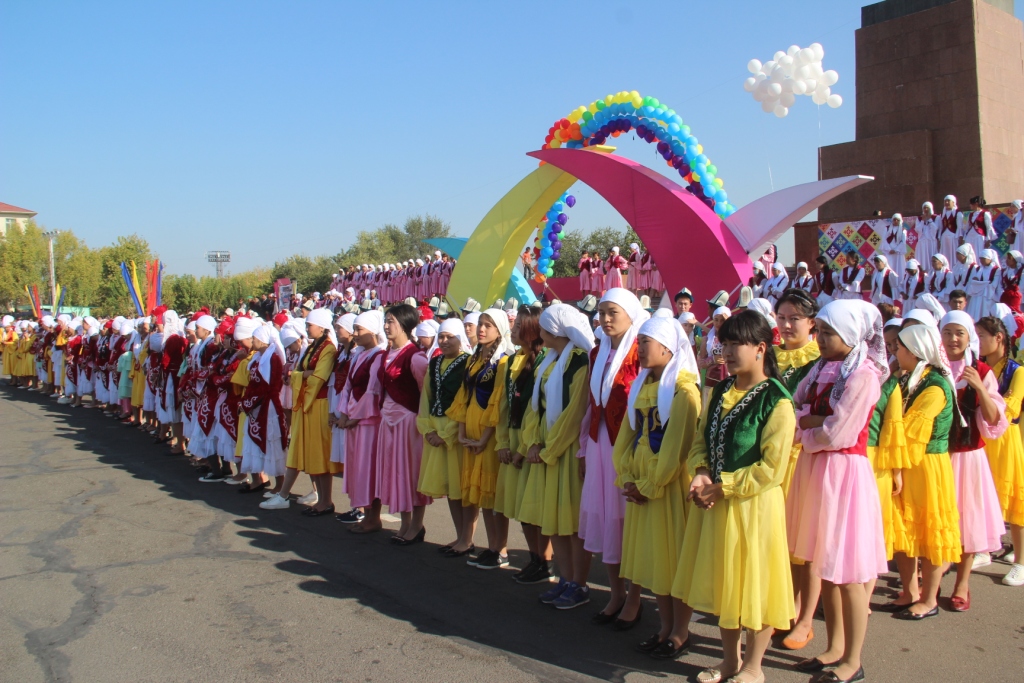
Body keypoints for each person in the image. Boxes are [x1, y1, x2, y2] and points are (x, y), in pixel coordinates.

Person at [672, 310, 797, 683]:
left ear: (760, 348)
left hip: (753, 507)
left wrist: (722, 486)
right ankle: (729, 661)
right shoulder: (722, 390)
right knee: (727, 586)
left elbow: (772, 468)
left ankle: (754, 667)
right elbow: (701, 438)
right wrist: (700, 471)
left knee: (755, 586)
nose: (726, 351)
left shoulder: (777, 400)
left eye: (735, 344)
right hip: (717, 505)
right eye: (723, 343)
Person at [786, 300, 888, 682]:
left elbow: (839, 433)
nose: (821, 339)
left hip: (843, 473)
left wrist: (810, 424)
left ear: (849, 335)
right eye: (822, 332)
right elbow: (795, 411)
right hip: (817, 470)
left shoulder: (863, 376)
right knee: (823, 565)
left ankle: (853, 659)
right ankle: (834, 648)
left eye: (829, 333)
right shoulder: (820, 369)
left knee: (848, 572)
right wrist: (814, 421)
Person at [613, 316, 700, 658]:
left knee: (673, 561)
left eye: (646, 342)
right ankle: (664, 627)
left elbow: (677, 449)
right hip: (642, 487)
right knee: (656, 562)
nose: (640, 349)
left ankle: (680, 631)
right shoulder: (641, 386)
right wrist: (627, 477)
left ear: (666, 347)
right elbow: (626, 438)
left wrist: (648, 485)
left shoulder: (683, 390)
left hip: (665, 490)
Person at [519, 304, 595, 609]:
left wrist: (548, 449)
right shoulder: (548, 360)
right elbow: (534, 407)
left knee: (572, 523)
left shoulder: (580, 362)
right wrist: (532, 442)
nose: (540, 331)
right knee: (554, 521)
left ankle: (580, 583)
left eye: (545, 326)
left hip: (565, 452)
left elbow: (575, 413)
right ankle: (565, 579)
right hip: (547, 452)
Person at [580, 289, 648, 625]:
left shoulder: (641, 353)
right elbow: (591, 403)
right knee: (606, 519)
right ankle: (615, 591)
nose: (605, 319)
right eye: (602, 313)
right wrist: (583, 446)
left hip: (629, 445)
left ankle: (635, 597)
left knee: (627, 521)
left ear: (631, 315)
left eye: (613, 313)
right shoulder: (596, 354)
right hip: (599, 444)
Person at [886, 322, 960, 619]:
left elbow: (913, 430)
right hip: (904, 464)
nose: (895, 351)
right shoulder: (906, 378)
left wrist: (897, 465)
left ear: (914, 351)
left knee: (930, 533)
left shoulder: (936, 385)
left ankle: (929, 598)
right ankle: (909, 590)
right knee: (905, 530)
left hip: (926, 466)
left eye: (899, 347)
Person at [939, 311, 1007, 610]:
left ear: (969, 338)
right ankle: (927, 582)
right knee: (936, 519)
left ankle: (962, 583)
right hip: (938, 456)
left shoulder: (980, 370)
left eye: (959, 333)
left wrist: (979, 387)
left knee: (968, 523)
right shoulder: (933, 367)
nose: (953, 339)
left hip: (968, 460)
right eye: (947, 332)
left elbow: (994, 421)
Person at [447, 309, 515, 568]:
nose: (482, 329)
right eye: (480, 324)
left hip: (490, 433)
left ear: (499, 329)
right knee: (481, 495)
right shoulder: (475, 357)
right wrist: (462, 431)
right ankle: (491, 545)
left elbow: (499, 402)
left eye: (488, 325)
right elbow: (464, 396)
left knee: (493, 493)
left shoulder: (504, 361)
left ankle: (502, 549)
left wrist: (485, 438)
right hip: (472, 430)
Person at [261, 308, 340, 513]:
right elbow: (302, 373)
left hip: (318, 403)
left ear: (322, 327)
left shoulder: (328, 349)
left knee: (320, 453)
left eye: (310, 325)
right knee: (313, 453)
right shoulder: (315, 347)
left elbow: (319, 377)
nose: (307, 328)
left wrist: (300, 376)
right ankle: (321, 499)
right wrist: (302, 375)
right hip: (308, 403)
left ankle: (326, 500)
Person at [975, 315, 1024, 586]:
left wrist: (983, 393)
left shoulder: (1017, 371)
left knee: (1016, 502)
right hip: (983, 439)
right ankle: (984, 547)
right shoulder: (979, 367)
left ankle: (1020, 562)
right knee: (983, 494)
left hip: (1007, 440)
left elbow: (1012, 407)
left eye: (982, 336)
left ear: (999, 338)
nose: (978, 342)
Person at [377, 304, 431, 544]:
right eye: (386, 321)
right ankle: (405, 522)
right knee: (396, 472)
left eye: (392, 321)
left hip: (408, 421)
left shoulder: (416, 357)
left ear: (406, 326)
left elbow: (425, 395)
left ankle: (417, 525)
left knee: (412, 473)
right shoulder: (386, 354)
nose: (387, 326)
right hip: (388, 419)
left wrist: (422, 422)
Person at [416, 318, 472, 551]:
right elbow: (426, 396)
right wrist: (427, 429)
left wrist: (447, 434)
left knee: (461, 488)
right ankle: (459, 537)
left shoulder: (468, 363)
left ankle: (467, 539)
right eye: (442, 336)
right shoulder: (435, 361)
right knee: (450, 489)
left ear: (461, 339)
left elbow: (466, 402)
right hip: (435, 429)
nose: (445, 341)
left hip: (455, 432)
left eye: (450, 337)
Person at [335, 310, 388, 529]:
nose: (355, 334)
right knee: (358, 469)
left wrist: (354, 417)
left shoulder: (378, 355)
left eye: (360, 330)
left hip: (368, 423)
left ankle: (373, 517)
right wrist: (344, 413)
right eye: (354, 329)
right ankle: (365, 514)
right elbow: (348, 385)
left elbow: (372, 391)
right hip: (355, 421)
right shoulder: (358, 355)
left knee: (368, 469)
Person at [915, 202, 940, 270]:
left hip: (931, 241)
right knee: (922, 259)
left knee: (931, 257)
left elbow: (936, 228)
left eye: (927, 208)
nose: (926, 209)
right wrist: (922, 221)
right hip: (922, 242)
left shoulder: (936, 217)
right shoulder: (919, 218)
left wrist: (930, 219)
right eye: (924, 208)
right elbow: (917, 229)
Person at [939, 195, 961, 265]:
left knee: (953, 254)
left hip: (953, 238)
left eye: (948, 201)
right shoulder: (943, 214)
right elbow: (941, 227)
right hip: (944, 238)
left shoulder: (958, 213)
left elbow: (959, 227)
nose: (947, 203)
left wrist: (959, 238)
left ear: (953, 202)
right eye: (945, 201)